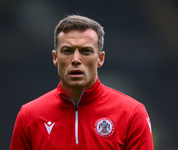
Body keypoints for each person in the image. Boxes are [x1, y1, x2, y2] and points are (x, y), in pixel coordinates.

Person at [10, 15, 154, 150]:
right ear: (55, 58)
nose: (76, 59)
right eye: (67, 51)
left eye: (85, 51)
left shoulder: (132, 113)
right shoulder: (30, 115)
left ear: (100, 59)